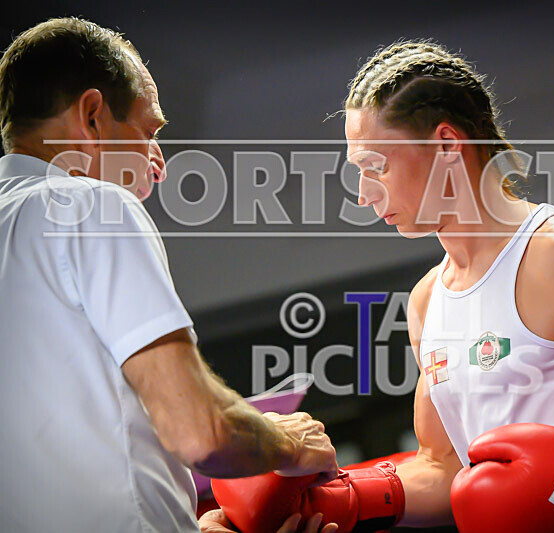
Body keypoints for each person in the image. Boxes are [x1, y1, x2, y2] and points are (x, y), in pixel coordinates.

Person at [211, 40, 554, 532]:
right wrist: (340, 500)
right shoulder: (428, 302)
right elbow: (444, 468)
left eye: (375, 165)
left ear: (447, 144)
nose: (362, 193)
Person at [0, 17, 337, 533]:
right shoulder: (92, 204)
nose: (158, 163)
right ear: (92, 116)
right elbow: (199, 433)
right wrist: (290, 442)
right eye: (149, 131)